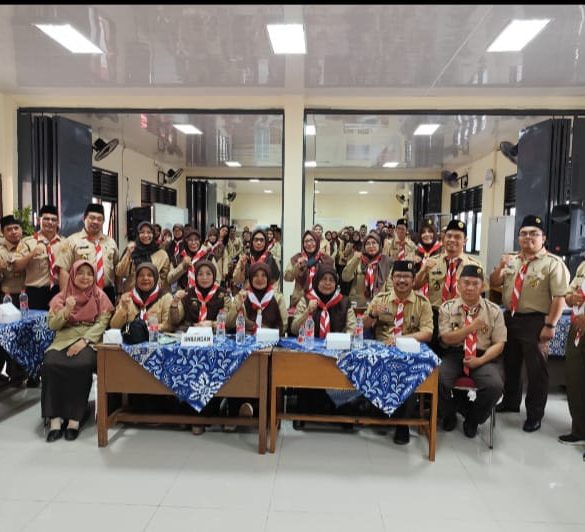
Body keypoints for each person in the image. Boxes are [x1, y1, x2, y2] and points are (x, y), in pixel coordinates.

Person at [490, 215, 569, 432]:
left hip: (536, 321)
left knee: (536, 371)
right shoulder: (513, 260)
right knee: (510, 364)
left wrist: (550, 325)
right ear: (518, 238)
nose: (528, 237)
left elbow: (560, 298)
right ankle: (510, 401)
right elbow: (494, 282)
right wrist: (500, 266)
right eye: (523, 234)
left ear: (543, 238)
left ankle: (534, 414)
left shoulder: (553, 263)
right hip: (510, 318)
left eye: (534, 233)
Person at [42, 260, 114, 442]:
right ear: (73, 275)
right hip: (63, 340)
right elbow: (53, 325)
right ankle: (55, 419)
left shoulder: (100, 296)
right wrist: (67, 310)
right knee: (50, 363)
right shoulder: (61, 298)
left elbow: (102, 323)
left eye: (89, 274)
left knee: (81, 364)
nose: (85, 277)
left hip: (89, 340)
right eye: (80, 273)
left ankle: (75, 419)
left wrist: (84, 341)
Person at [363, 260, 433, 444]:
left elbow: (427, 333)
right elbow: (364, 326)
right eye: (398, 276)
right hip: (383, 349)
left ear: (413, 280)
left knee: (409, 372)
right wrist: (372, 315)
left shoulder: (422, 303)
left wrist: (400, 340)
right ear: (392, 279)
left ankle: (403, 424)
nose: (402, 280)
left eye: (406, 277)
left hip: (409, 350)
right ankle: (379, 411)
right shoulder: (381, 299)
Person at [439, 265, 507, 438]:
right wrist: (470, 328)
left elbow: (499, 344)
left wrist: (480, 361)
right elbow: (446, 338)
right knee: (437, 379)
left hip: (483, 355)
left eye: (475, 284)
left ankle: (473, 419)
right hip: (455, 353)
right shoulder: (447, 308)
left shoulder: (494, 311)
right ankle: (450, 413)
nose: (470, 287)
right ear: (458, 285)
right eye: (466, 283)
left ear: (482, 286)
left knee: (494, 386)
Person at [225, 262, 287, 423]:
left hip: (268, 345)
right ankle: (234, 413)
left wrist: (260, 330)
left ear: (269, 278)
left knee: (266, 369)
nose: (259, 279)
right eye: (256, 276)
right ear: (250, 278)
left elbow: (283, 327)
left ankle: (259, 411)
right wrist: (238, 304)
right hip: (244, 345)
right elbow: (229, 323)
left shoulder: (277, 297)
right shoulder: (243, 295)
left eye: (263, 275)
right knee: (236, 369)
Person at [413, 219, 482, 350]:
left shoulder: (474, 266)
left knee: (456, 355)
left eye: (457, 237)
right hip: (434, 316)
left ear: (465, 241)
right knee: (432, 354)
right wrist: (422, 270)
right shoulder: (432, 262)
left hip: (460, 317)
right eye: (449, 236)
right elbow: (415, 286)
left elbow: (479, 298)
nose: (452, 240)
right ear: (443, 238)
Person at [56, 203, 119, 305]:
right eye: (92, 218)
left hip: (107, 293)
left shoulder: (111, 242)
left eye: (99, 219)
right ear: (84, 219)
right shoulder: (71, 241)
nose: (95, 221)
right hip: (81, 292)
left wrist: (119, 293)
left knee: (107, 316)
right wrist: (66, 297)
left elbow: (117, 270)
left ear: (103, 221)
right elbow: (64, 270)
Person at [14, 205, 63, 310]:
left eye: (53, 219)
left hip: (58, 291)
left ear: (58, 222)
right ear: (38, 220)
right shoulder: (27, 242)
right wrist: (31, 254)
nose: (50, 222)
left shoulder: (64, 243)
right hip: (35, 292)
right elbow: (17, 267)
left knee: (58, 320)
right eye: (46, 219)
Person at [559, 259, 585, 445]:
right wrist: (571, 298)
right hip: (577, 328)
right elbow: (569, 293)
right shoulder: (583, 265)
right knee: (575, 379)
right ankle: (580, 430)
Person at [110, 262, 178, 332]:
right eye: (141, 275)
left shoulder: (165, 297)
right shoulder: (127, 298)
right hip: (132, 338)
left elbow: (169, 326)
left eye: (149, 275)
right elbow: (114, 326)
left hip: (156, 337)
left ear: (155, 278)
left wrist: (146, 329)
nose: (145, 278)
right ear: (136, 279)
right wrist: (123, 309)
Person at [0, 215, 28, 385]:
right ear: (3, 232)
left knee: (23, 336)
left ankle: (19, 373)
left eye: (16, 228)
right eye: (9, 229)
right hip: (6, 298)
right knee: (4, 337)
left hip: (26, 298)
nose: (13, 232)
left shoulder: (28, 245)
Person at [169, 260, 229, 331]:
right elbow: (175, 321)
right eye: (200, 274)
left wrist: (212, 324)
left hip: (215, 334)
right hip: (191, 334)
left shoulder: (223, 294)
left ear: (214, 275)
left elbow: (229, 321)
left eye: (208, 274)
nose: (204, 278)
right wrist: (175, 302)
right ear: (196, 276)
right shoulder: (187, 293)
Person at [115, 221, 170, 293]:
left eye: (149, 232)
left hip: (153, 295)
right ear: (138, 234)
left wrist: (158, 288)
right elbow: (119, 272)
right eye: (142, 232)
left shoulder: (161, 254)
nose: (145, 235)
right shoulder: (131, 250)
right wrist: (128, 254)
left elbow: (165, 278)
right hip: (132, 294)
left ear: (153, 234)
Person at [284, 230, 334, 308]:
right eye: (306, 241)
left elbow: (332, 280)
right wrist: (297, 266)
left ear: (317, 242)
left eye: (312, 240)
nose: (309, 244)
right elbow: (287, 278)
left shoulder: (326, 259)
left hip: (321, 300)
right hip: (300, 301)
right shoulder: (297, 258)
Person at [342, 231, 392, 308]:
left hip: (380, 304)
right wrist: (355, 260)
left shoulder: (386, 261)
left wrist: (387, 303)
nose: (371, 246)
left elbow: (390, 287)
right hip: (359, 304)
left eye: (374, 243)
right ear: (364, 246)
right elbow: (345, 277)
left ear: (379, 245)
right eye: (368, 243)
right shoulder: (358, 259)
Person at [414, 219, 443, 297]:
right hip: (418, 296)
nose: (427, 234)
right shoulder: (415, 252)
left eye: (430, 231)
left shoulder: (442, 252)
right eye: (423, 232)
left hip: (437, 296)